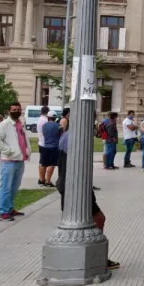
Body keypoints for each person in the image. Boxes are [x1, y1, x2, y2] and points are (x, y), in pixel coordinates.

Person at [56, 113, 119, 270]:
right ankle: (95, 257)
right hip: (75, 186)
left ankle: (89, 256)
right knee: (94, 220)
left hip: (71, 184)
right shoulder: (76, 138)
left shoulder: (69, 135)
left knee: (77, 222)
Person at [0, 102, 30, 222]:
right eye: (13, 109)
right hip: (9, 161)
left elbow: (23, 139)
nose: (16, 111)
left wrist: (27, 151)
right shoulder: (4, 124)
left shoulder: (20, 124)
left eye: (18, 109)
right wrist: (9, 151)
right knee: (6, 188)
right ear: (9, 111)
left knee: (14, 187)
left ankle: (9, 208)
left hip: (20, 159)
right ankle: (2, 212)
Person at [38, 111, 61, 186]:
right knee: (52, 164)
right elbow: (60, 134)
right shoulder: (58, 126)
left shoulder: (44, 126)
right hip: (55, 146)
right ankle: (48, 181)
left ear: (48, 117)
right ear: (55, 118)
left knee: (43, 163)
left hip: (45, 146)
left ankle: (42, 179)